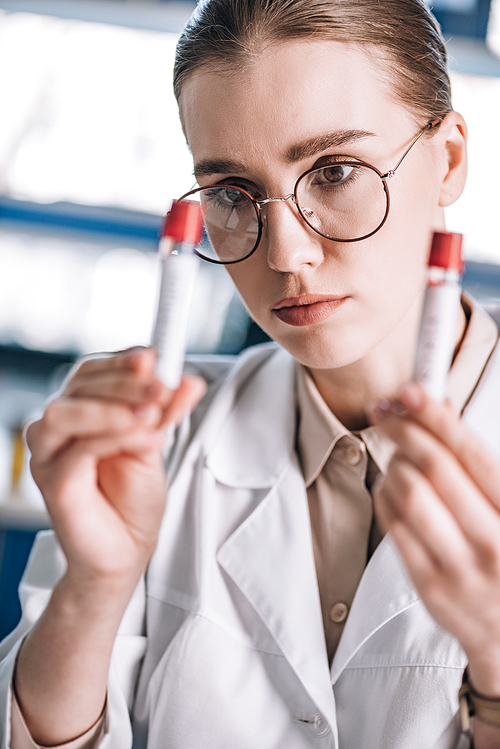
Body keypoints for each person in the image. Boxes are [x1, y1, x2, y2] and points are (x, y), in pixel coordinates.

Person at [1, 0, 500, 746]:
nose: (285, 254)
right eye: (233, 194)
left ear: (450, 159)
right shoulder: (160, 445)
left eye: (335, 171)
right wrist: (94, 587)